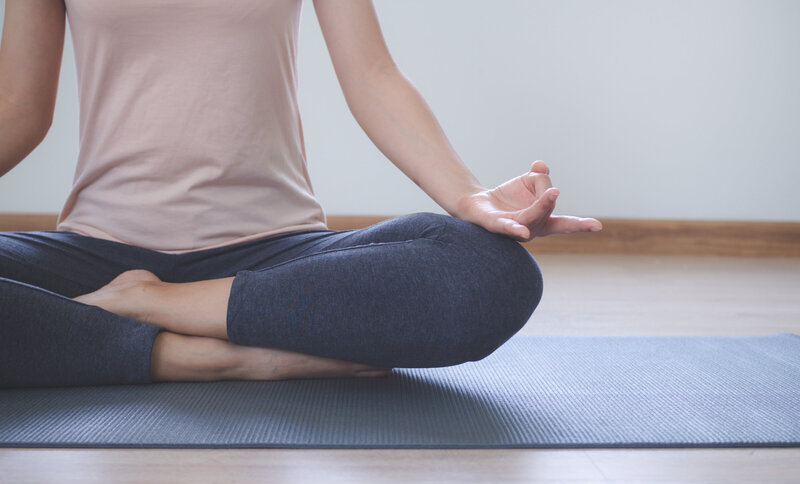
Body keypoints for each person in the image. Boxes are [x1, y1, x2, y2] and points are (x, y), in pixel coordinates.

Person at [0, 0, 601, 388]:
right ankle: (202, 355)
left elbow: (372, 75)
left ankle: (141, 309)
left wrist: (469, 198)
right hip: (93, 252)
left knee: (491, 273)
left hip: (277, 253)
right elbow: (18, 110)